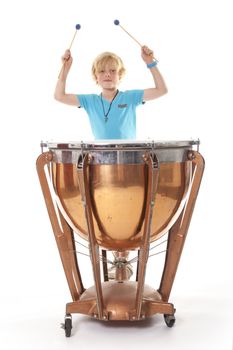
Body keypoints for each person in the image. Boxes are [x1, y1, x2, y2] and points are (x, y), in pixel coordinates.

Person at [54, 46, 167, 139]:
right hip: (100, 160)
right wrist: (65, 68)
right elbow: (59, 96)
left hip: (129, 158)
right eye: (102, 71)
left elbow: (161, 90)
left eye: (113, 71)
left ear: (120, 75)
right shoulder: (89, 101)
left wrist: (150, 62)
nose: (107, 74)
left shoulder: (130, 97)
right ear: (96, 76)